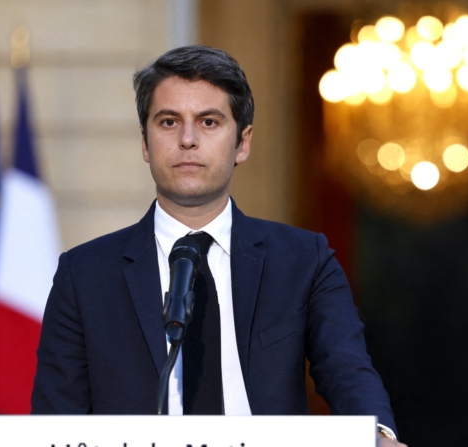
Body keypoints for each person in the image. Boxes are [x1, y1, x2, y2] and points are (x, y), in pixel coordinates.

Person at [31, 45, 404, 446]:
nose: (188, 139)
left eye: (209, 122)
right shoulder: (84, 274)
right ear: (145, 142)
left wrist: (378, 436)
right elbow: (56, 419)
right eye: (169, 122)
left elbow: (345, 369)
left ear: (242, 143)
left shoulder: (303, 260)